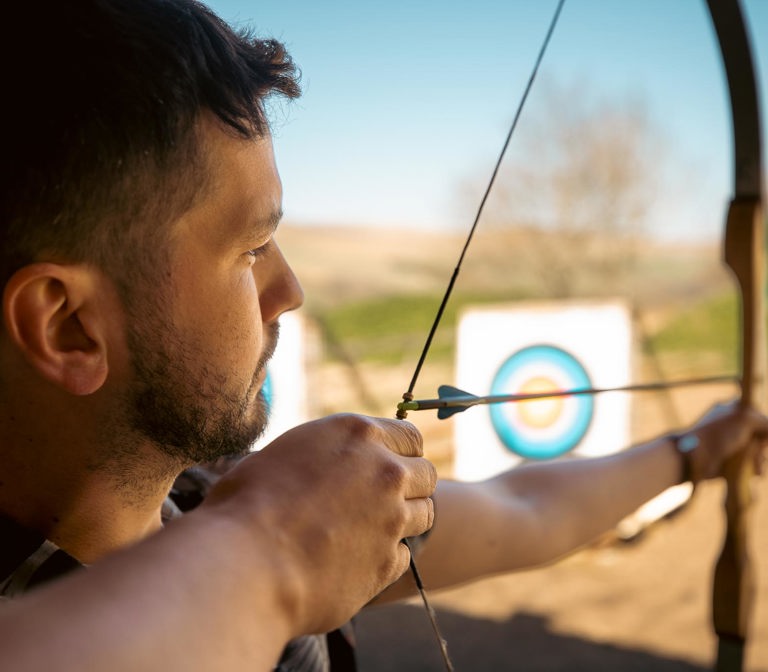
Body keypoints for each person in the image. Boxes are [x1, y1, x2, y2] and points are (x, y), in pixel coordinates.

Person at [0, 1, 765, 671]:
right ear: (71, 327)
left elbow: (526, 507)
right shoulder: (235, 534)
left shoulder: (210, 500)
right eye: (251, 250)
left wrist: (691, 452)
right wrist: (275, 550)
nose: (287, 292)